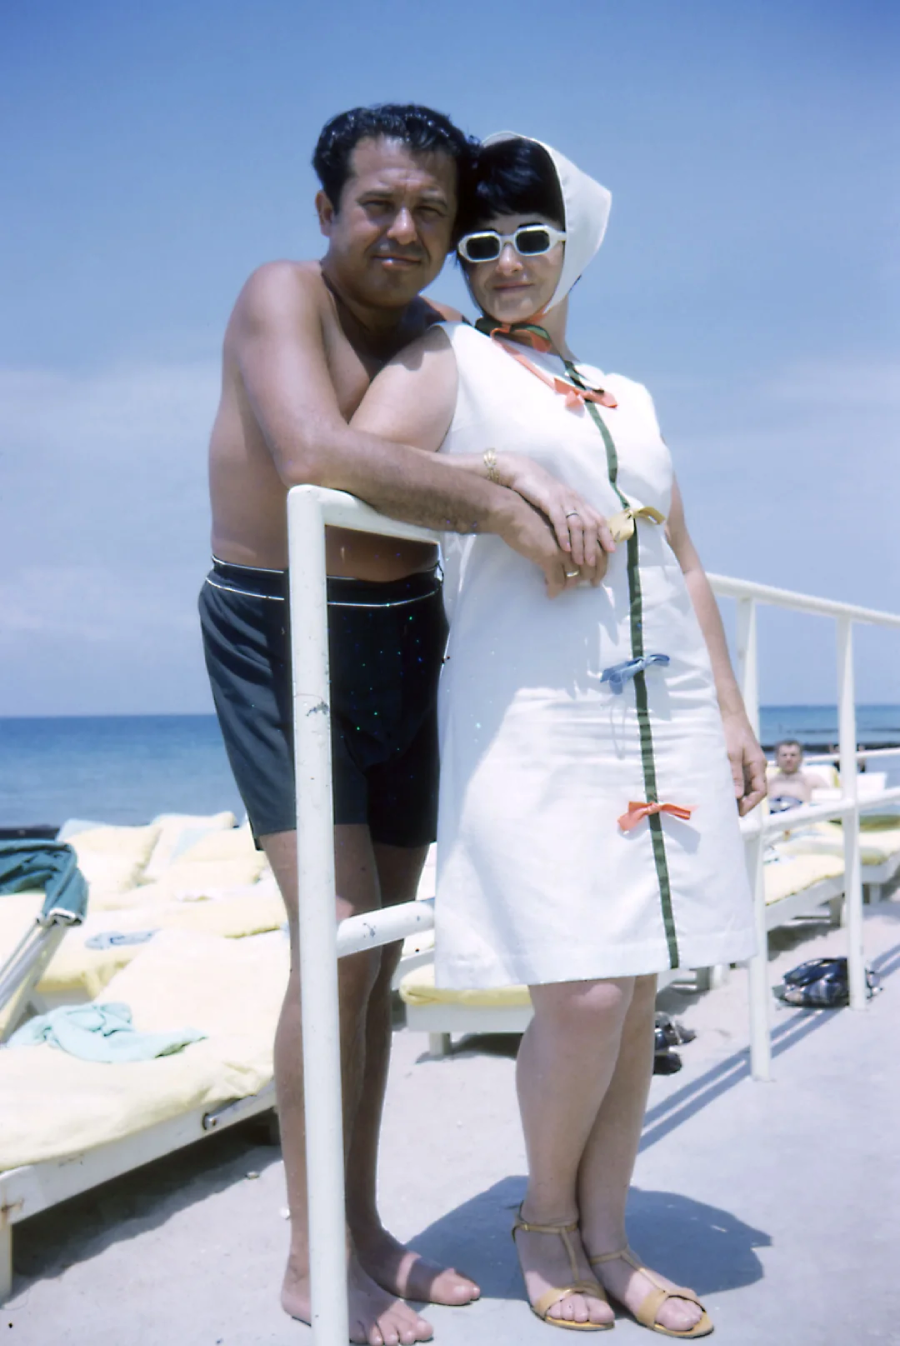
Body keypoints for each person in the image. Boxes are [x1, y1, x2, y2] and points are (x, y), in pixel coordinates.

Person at [199, 105, 605, 1346]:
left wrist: (525, 470)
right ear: (329, 210)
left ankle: (364, 1226)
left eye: (432, 212)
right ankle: (311, 1257)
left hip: (407, 635)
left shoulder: (441, 337)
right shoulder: (284, 294)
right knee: (329, 941)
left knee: (377, 955)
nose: (405, 229)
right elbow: (315, 457)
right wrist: (509, 486)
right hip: (281, 632)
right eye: (379, 204)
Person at [352, 133, 768, 1336]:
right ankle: (545, 1218)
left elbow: (681, 560)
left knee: (635, 983)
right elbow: (358, 461)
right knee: (582, 988)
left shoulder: (631, 395)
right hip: (529, 715)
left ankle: (612, 1233)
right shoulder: (451, 360)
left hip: (662, 715)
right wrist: (490, 473)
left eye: (531, 239)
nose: (505, 264)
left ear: (573, 242)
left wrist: (735, 714)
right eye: (480, 245)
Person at [768, 739, 830, 810]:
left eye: (793, 755)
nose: (788, 759)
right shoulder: (768, 781)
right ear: (777, 758)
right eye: (784, 755)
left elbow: (829, 803)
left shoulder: (812, 780)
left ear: (801, 758)